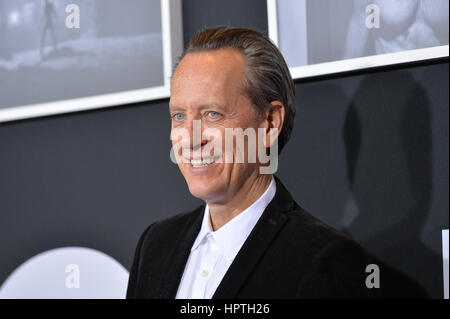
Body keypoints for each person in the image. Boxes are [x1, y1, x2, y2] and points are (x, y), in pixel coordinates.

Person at [126, 27, 376, 299]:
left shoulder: (324, 262)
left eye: (212, 114)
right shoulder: (155, 245)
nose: (190, 138)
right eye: (178, 116)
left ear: (269, 123)